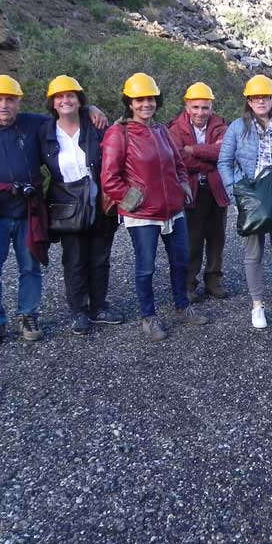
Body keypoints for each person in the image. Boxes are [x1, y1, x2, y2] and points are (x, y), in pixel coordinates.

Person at [0, 75, 108, 347]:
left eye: (10, 100)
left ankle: (28, 315)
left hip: (28, 209)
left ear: (18, 102)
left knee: (30, 266)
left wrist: (91, 108)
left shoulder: (34, 122)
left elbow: (66, 111)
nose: (4, 105)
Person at [101, 73, 209, 342]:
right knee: (145, 267)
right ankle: (148, 316)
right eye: (139, 100)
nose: (145, 104)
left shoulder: (162, 130)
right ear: (129, 102)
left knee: (180, 262)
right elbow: (109, 179)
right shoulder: (119, 133)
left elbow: (179, 165)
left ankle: (182, 306)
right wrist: (133, 201)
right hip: (143, 216)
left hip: (173, 210)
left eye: (149, 99)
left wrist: (183, 187)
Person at [39, 75, 123, 336]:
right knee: (74, 260)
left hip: (99, 201)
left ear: (79, 101)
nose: (65, 100)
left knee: (100, 258)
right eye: (59, 97)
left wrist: (92, 109)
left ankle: (99, 306)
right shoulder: (43, 131)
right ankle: (78, 311)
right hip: (66, 204)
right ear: (52, 103)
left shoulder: (96, 126)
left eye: (71, 96)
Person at [217, 75, 272, 329]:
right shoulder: (236, 128)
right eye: (255, 97)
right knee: (252, 255)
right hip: (252, 198)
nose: (260, 101)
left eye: (265, 96)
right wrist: (235, 193)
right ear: (248, 101)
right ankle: (257, 305)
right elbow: (224, 162)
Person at [167, 82, 230, 302]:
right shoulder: (175, 128)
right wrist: (210, 160)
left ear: (212, 107)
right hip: (191, 191)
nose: (200, 112)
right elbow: (179, 159)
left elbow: (225, 152)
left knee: (217, 238)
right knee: (192, 241)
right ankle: (189, 284)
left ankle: (213, 281)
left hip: (216, 190)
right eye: (196, 107)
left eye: (205, 107)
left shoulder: (221, 125)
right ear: (187, 106)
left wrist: (193, 150)